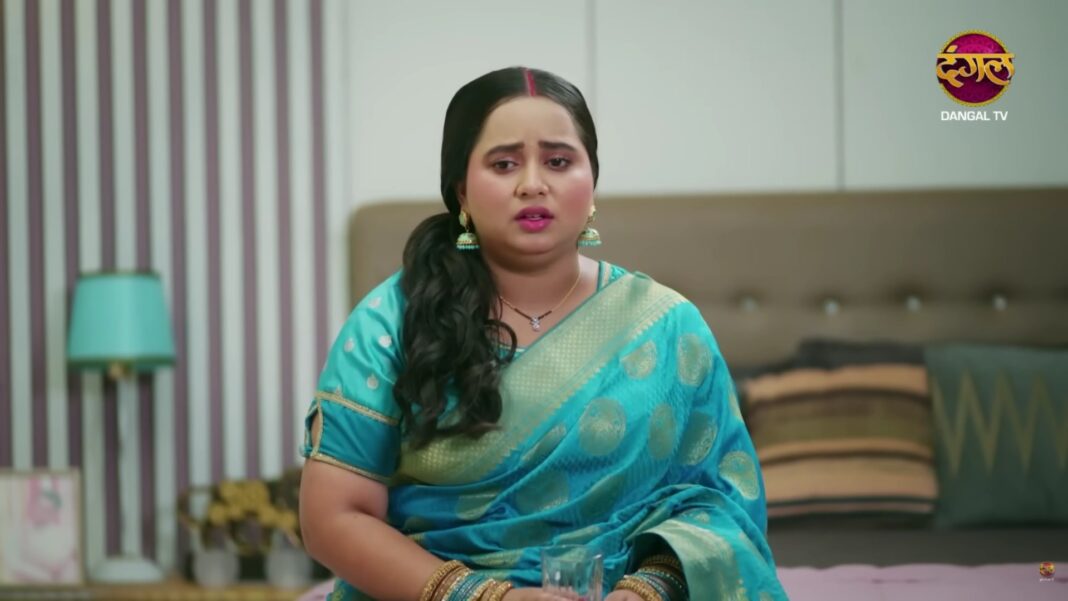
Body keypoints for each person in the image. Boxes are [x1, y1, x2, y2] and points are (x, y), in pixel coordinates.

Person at [299, 66, 788, 601]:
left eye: (558, 161)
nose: (533, 184)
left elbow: (722, 509)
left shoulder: (669, 327)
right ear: (462, 190)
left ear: (591, 182)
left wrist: (645, 591)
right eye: (504, 163)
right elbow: (334, 517)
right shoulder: (393, 322)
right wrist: (488, 598)